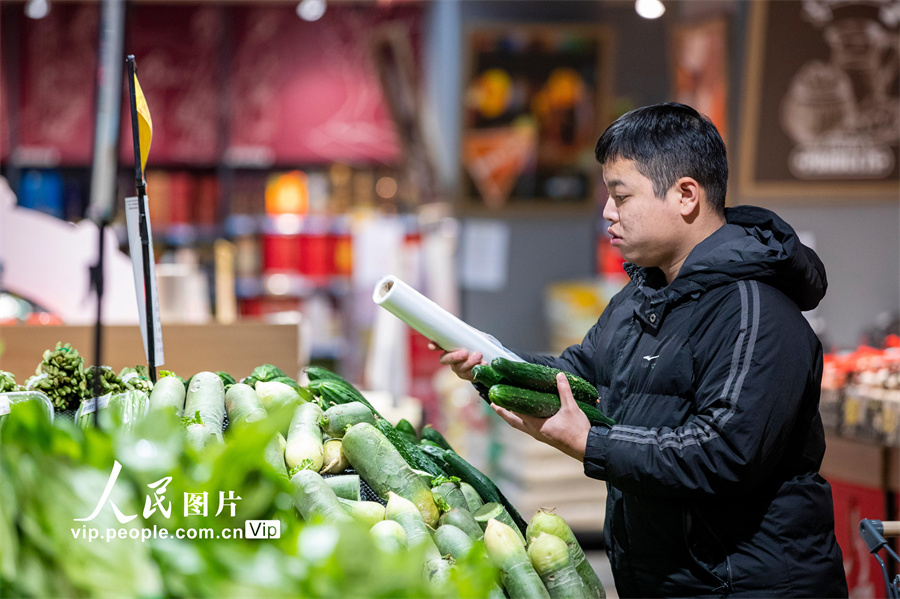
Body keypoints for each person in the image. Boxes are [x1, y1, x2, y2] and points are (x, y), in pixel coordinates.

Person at [432, 103, 848, 597]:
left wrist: (594, 444)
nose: (607, 212)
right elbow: (576, 373)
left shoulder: (755, 310)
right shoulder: (642, 297)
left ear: (685, 195)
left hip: (745, 586)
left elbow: (724, 451)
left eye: (620, 195)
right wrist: (489, 363)